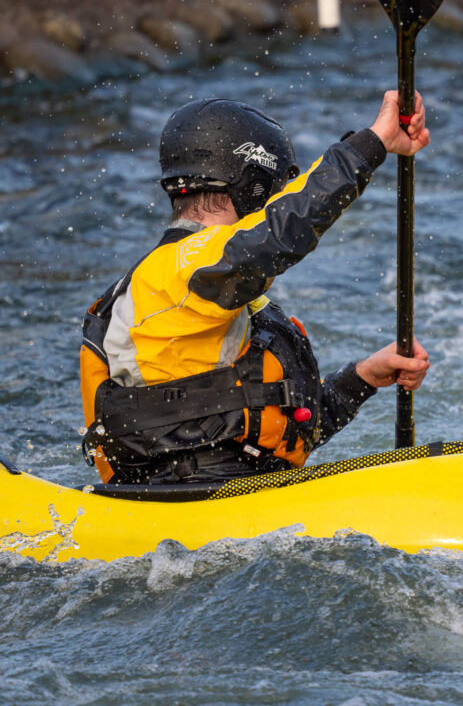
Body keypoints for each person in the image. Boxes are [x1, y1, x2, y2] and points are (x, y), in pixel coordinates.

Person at [80, 92, 431, 484]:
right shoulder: (181, 269)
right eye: (278, 190)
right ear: (256, 189)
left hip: (226, 491)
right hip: (193, 499)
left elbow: (270, 430)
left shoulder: (200, 288)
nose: (280, 199)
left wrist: (362, 379)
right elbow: (285, 227)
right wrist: (374, 142)